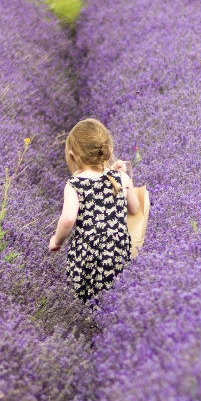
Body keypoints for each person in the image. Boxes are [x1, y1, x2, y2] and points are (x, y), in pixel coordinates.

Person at [48, 118, 141, 303]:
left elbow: (67, 219)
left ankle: (88, 325)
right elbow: (135, 208)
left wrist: (56, 240)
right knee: (116, 298)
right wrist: (123, 176)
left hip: (86, 254)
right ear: (109, 151)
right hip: (118, 251)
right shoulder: (121, 179)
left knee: (84, 303)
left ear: (73, 155)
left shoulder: (75, 184)